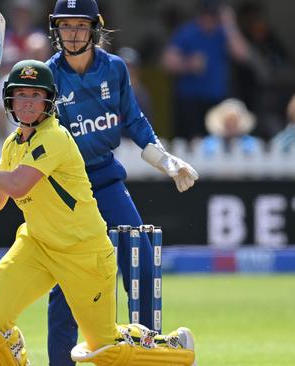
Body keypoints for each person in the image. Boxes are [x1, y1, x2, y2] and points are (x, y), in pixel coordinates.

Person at [0, 59, 197, 366]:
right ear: (10, 100)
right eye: (21, 95)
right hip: (37, 246)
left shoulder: (55, 137)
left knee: (104, 349)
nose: (28, 103)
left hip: (83, 253)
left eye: (36, 96)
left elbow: (18, 186)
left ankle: (176, 349)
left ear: (49, 100)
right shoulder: (12, 145)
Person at [45, 1, 199, 365]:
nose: (72, 34)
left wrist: (167, 160)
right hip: (65, 188)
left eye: (80, 26)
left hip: (105, 178)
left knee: (142, 262)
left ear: (95, 28)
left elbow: (134, 120)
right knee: (68, 281)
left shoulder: (114, 69)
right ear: (56, 30)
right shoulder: (48, 75)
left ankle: (145, 353)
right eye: (65, 26)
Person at [162, 0, 250, 140]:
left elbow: (243, 55)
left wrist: (230, 24)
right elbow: (167, 62)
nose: (208, 19)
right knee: (191, 142)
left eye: (213, 15)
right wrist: (188, 64)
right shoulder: (187, 32)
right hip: (190, 100)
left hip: (217, 100)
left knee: (216, 142)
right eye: (205, 15)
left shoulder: (223, 32)